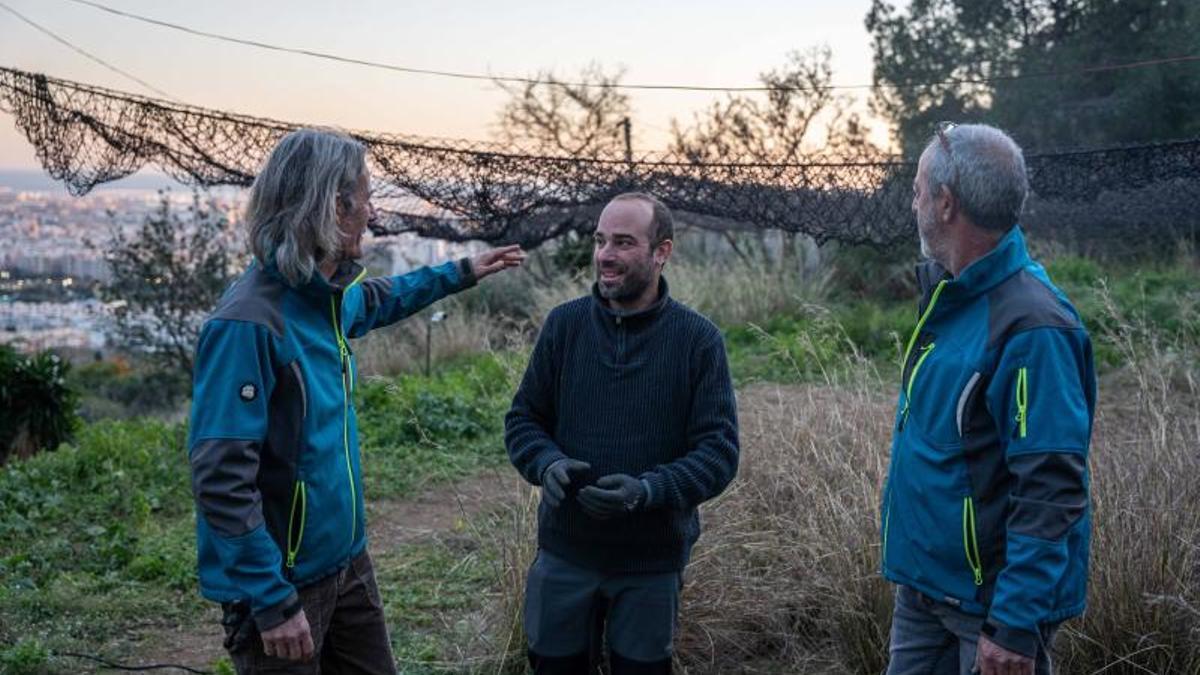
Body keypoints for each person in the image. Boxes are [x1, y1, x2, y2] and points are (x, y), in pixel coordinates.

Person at [187, 128, 524, 673]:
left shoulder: (323, 296)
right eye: (365, 198)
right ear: (331, 207)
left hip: (346, 563)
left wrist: (459, 273)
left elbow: (377, 299)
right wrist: (271, 602)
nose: (371, 213)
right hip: (284, 584)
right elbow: (221, 478)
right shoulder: (248, 324)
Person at [880, 123, 1096, 675]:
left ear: (946, 204)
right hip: (925, 591)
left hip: (988, 615)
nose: (914, 201)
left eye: (919, 189)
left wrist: (1015, 625)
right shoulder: (952, 298)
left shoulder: (1032, 327)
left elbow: (1049, 485)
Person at [505, 192, 740, 674]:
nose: (605, 255)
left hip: (651, 563)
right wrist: (546, 463)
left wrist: (648, 490)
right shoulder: (564, 326)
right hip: (565, 552)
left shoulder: (698, 340)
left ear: (662, 252)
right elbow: (524, 419)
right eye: (600, 240)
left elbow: (718, 453)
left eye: (624, 242)